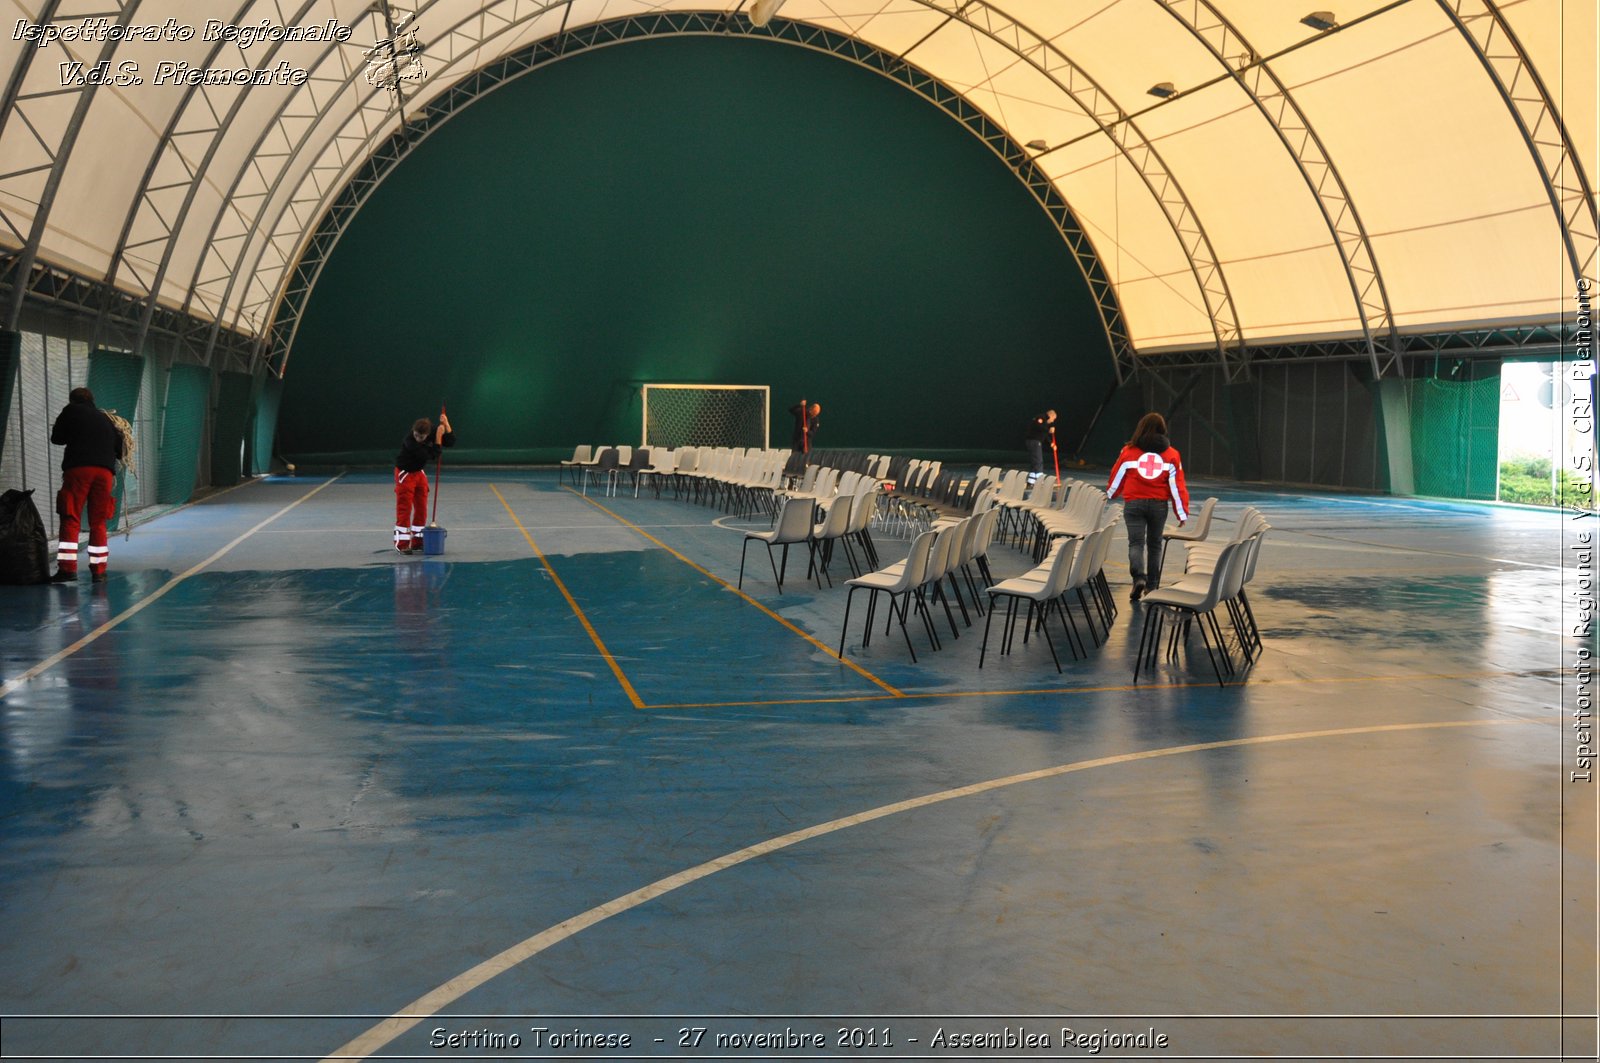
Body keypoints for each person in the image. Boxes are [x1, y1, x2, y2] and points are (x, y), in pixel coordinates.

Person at [1107, 411, 1189, 601]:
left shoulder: (1128, 451)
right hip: (1158, 506)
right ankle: (1152, 586)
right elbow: (1177, 486)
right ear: (1163, 429)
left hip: (1134, 504)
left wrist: (1111, 493)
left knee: (1136, 543)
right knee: (1155, 545)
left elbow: (1117, 474)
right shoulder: (1172, 455)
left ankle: (1138, 578)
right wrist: (1181, 512)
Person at [49, 387, 124, 583]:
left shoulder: (71, 411)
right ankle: (99, 572)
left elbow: (56, 438)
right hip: (105, 473)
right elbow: (120, 448)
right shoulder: (106, 419)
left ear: (73, 400)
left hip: (79, 470)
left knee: (71, 516)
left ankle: (67, 569)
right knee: (98, 522)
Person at [394, 412, 454, 553]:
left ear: (427, 433)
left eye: (421, 437)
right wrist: (439, 438)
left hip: (419, 473)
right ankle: (401, 544)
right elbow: (431, 455)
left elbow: (451, 442)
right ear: (413, 431)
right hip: (405, 473)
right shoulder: (410, 441)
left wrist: (446, 425)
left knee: (421, 508)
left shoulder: (431, 430)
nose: (418, 438)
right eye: (415, 435)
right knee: (405, 508)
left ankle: (418, 541)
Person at [1025, 409, 1057, 486]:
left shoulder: (1045, 423)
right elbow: (1038, 427)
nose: (1052, 421)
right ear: (1051, 416)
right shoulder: (1041, 417)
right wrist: (1049, 429)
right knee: (1038, 461)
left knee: (1034, 462)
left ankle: (1031, 481)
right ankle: (1040, 480)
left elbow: (1044, 435)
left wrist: (1051, 444)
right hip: (1034, 442)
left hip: (1033, 441)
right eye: (1053, 419)